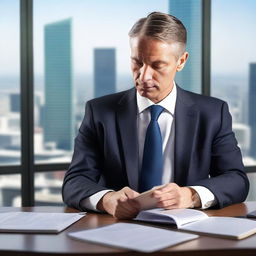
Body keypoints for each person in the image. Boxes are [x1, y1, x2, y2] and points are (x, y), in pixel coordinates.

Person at [62, 12, 249, 219]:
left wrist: (191, 195)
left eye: (157, 65)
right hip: (117, 229)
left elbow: (236, 179)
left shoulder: (213, 113)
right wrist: (107, 200)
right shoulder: (100, 112)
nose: (143, 76)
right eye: (137, 62)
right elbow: (74, 182)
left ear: (181, 61)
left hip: (187, 232)